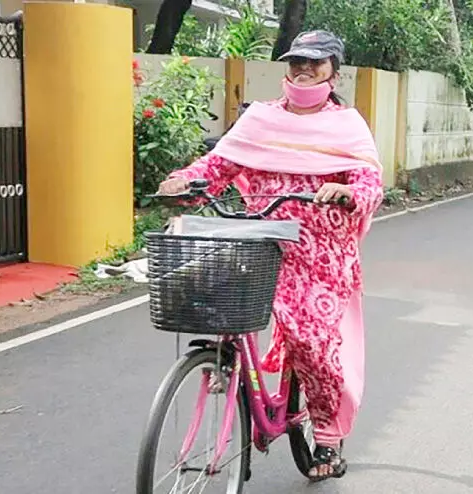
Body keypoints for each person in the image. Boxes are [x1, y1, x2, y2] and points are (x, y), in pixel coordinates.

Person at [158, 30, 383, 482]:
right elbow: (218, 166)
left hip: (320, 254)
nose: (304, 69)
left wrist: (347, 192)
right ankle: (228, 368)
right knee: (215, 302)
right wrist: (183, 180)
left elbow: (369, 182)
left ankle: (327, 435)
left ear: (334, 71)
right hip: (261, 242)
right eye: (297, 61)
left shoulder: (346, 125)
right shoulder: (260, 119)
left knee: (315, 346)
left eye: (315, 62)